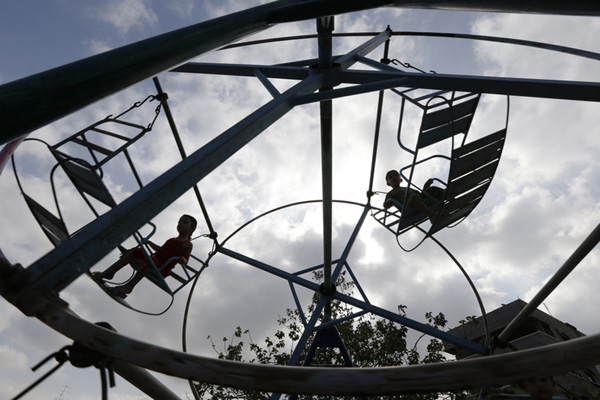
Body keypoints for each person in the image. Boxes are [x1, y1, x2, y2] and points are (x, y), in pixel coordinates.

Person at [93, 214, 197, 298]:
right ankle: (110, 272)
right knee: (136, 251)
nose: (180, 224)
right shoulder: (171, 240)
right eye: (179, 221)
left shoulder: (187, 244)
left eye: (185, 222)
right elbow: (161, 250)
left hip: (163, 267)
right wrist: (149, 243)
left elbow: (186, 260)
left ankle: (128, 287)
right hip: (155, 260)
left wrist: (182, 259)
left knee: (150, 261)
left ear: (192, 228)